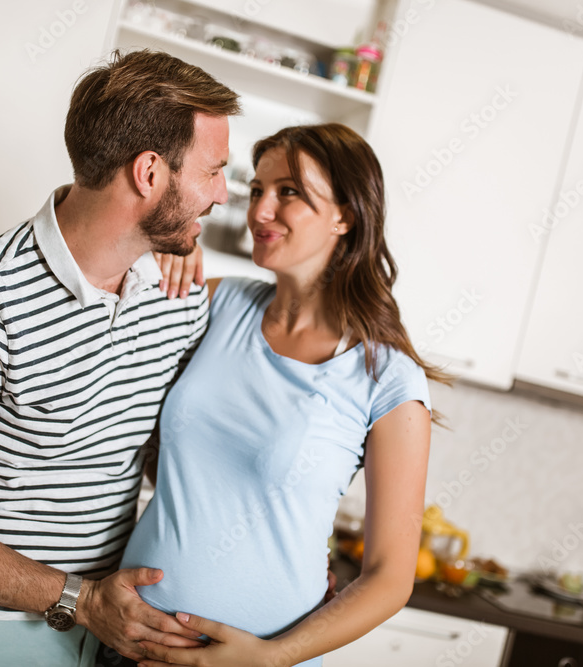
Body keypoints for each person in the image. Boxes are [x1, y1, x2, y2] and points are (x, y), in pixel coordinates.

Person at [0, 49, 241, 667]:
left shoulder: (176, 295)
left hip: (105, 634)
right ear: (150, 174)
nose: (224, 194)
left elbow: (165, 455)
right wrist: (82, 599)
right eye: (213, 172)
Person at [121, 123, 451, 667]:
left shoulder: (388, 379)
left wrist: (271, 658)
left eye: (288, 192)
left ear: (345, 215)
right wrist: (160, 251)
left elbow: (391, 577)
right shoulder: (215, 305)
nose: (259, 211)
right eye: (256, 191)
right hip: (131, 640)